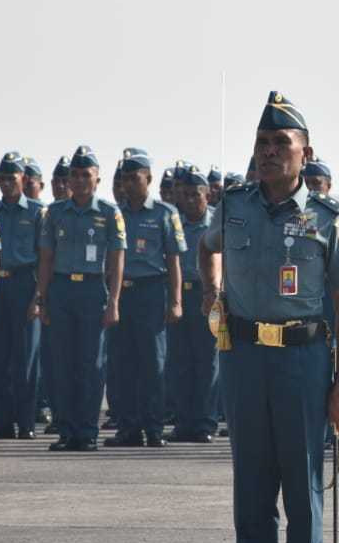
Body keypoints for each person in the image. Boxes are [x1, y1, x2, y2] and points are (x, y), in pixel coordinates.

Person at [197, 91, 339, 543]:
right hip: (244, 359)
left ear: (305, 153)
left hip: (302, 362)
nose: (269, 151)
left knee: (302, 493)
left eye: (281, 142)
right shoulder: (234, 206)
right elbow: (206, 247)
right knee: (251, 492)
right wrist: (212, 292)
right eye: (262, 142)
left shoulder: (329, 217)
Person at [36, 146, 125, 452]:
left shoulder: (109, 213)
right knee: (63, 363)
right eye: (74, 175)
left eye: (86, 175)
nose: (79, 180)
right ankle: (66, 430)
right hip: (61, 290)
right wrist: (41, 298)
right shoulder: (54, 213)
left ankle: (87, 431)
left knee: (91, 364)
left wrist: (114, 301)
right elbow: (46, 259)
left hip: (92, 290)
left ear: (97, 178)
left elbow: (117, 260)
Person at [109, 148, 184, 448]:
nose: (128, 184)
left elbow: (174, 260)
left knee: (153, 363)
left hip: (152, 291)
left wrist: (176, 301)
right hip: (121, 292)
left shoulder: (166, 213)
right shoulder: (114, 214)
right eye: (124, 178)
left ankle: (153, 428)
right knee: (123, 363)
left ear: (149, 179)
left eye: (134, 178)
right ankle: (128, 428)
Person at [0, 152, 43, 440]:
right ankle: (2, 422)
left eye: (12, 178)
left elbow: (45, 258)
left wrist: (38, 296)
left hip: (25, 284)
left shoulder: (37, 212)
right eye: (3, 178)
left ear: (24, 179)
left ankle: (26, 422)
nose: (7, 183)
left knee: (26, 360)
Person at [169, 164, 219, 442]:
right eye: (185, 194)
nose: (189, 200)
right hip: (180, 295)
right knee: (181, 362)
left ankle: (205, 422)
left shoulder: (216, 223)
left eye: (195, 195)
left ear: (207, 195)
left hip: (207, 294)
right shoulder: (174, 222)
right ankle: (184, 422)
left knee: (207, 362)